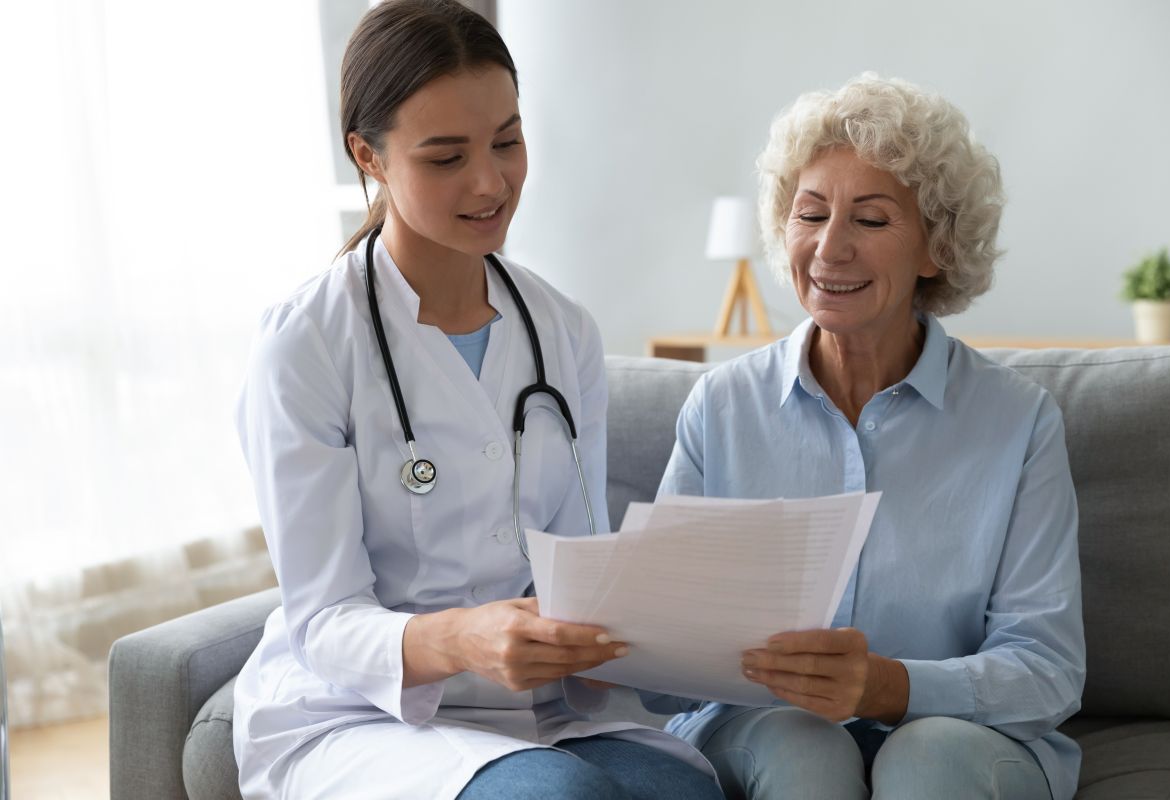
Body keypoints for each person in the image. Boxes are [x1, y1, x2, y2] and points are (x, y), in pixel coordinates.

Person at [232, 2, 720, 798]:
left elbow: (577, 565)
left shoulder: (562, 332)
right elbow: (324, 621)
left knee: (682, 789)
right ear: (370, 157)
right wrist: (461, 640)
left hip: (538, 707)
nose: (491, 182)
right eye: (445, 157)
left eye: (507, 142)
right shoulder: (307, 344)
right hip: (359, 714)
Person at [657, 74, 1086, 799]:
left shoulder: (1020, 421)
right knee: (802, 748)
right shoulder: (723, 405)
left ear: (936, 247)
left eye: (872, 220)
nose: (830, 248)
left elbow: (1046, 669)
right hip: (767, 729)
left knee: (925, 758)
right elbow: (660, 647)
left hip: (957, 741)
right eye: (811, 214)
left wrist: (888, 687)